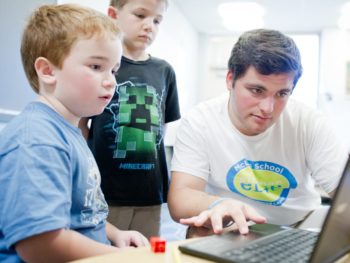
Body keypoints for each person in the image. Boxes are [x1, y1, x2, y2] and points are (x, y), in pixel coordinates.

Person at [0, 4, 149, 262]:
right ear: (48, 71)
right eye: (95, 66)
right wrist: (121, 257)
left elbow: (80, 215)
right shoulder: (37, 139)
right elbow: (39, 244)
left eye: (113, 70)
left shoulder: (69, 133)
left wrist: (115, 234)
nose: (111, 80)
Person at [168, 29, 348, 237]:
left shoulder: (309, 123)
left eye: (282, 93)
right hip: (233, 227)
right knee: (200, 230)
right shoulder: (200, 121)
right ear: (230, 79)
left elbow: (345, 195)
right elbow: (180, 197)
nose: (268, 108)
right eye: (257, 90)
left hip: (298, 227)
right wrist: (219, 204)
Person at [79, 0, 180, 239]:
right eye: (140, 15)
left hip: (149, 190)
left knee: (144, 251)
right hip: (107, 190)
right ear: (113, 15)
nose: (149, 26)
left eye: (156, 20)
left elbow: (161, 128)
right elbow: (82, 126)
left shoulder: (164, 71)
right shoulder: (102, 67)